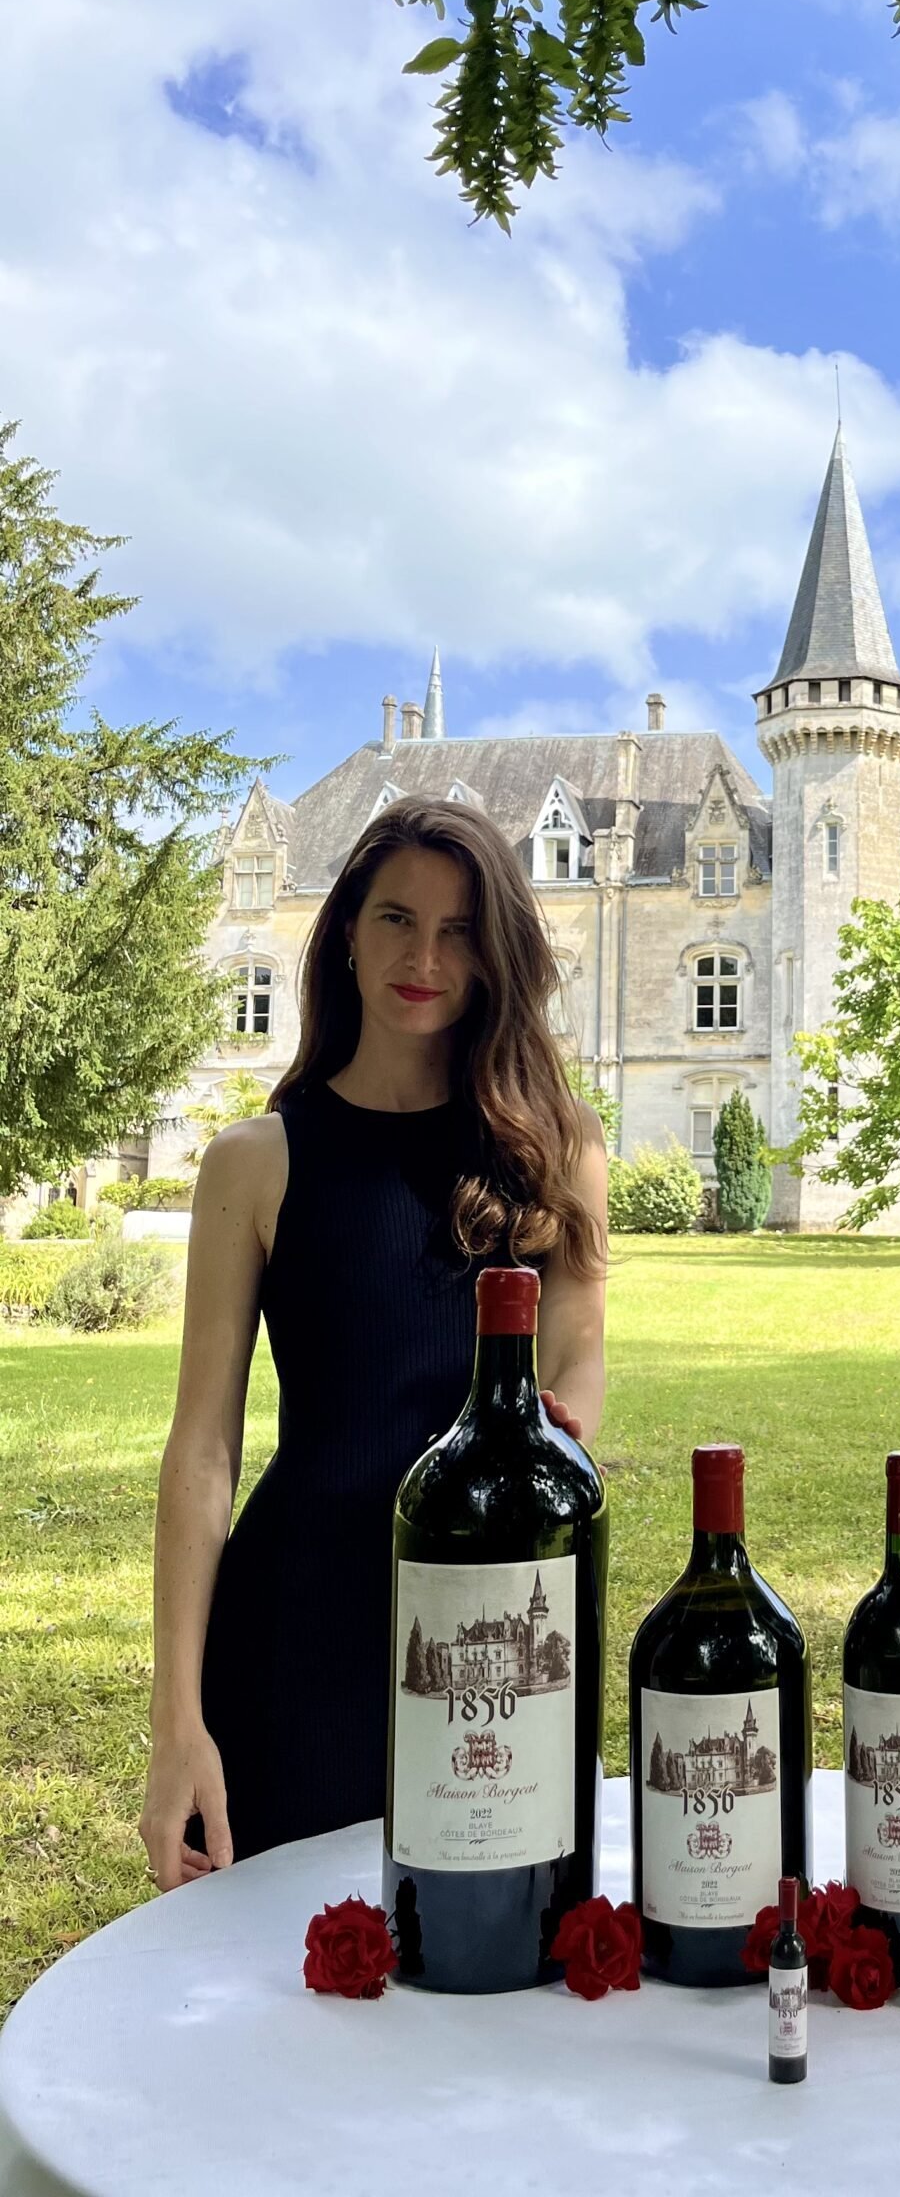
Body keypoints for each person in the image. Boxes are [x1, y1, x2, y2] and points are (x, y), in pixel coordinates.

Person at [140, 799, 608, 1889]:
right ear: (347, 929)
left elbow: (579, 1356)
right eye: (397, 918)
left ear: (493, 957)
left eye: (459, 931)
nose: (423, 958)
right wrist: (176, 1721)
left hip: (497, 1626)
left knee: (499, 1939)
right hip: (297, 1629)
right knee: (285, 1961)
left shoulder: (556, 1151)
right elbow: (202, 1449)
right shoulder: (254, 1162)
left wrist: (558, 1433)